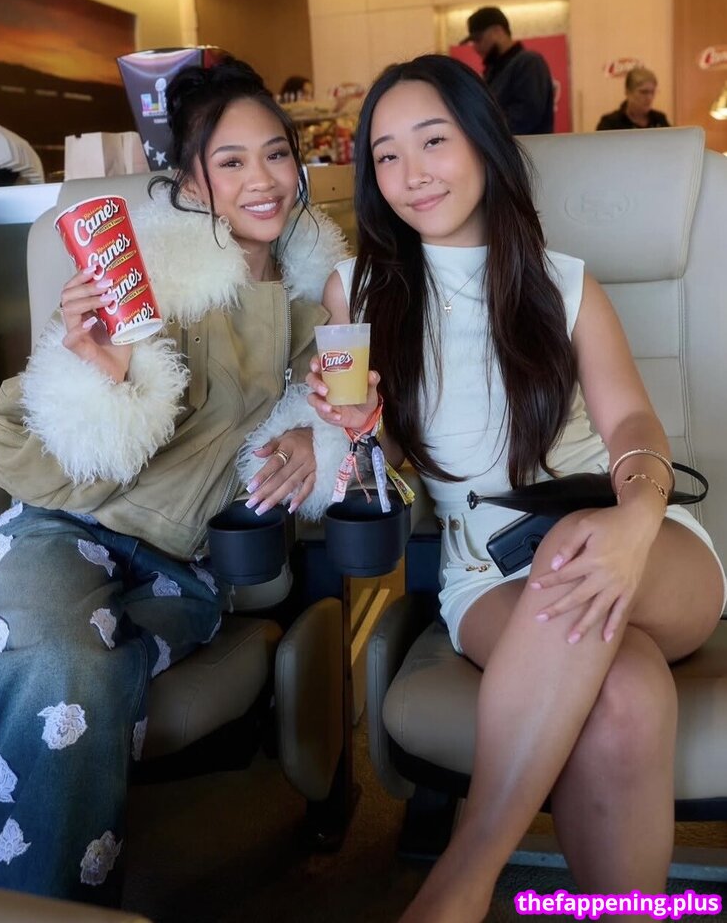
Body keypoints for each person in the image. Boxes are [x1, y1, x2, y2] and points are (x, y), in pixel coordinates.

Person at [306, 54, 726, 923]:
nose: (411, 172)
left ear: (482, 143)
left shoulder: (562, 281)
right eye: (386, 155)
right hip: (488, 571)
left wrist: (634, 521)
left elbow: (631, 424)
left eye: (433, 140)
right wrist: (361, 430)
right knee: (623, 690)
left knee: (579, 549)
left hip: (638, 540)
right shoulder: (358, 291)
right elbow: (387, 462)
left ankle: (458, 881)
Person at [0, 57, 349, 903]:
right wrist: (94, 377)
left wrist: (317, 436)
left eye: (275, 154)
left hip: (187, 570)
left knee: (75, 682)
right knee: (67, 672)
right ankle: (48, 911)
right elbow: (26, 463)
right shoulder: (145, 276)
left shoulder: (322, 291)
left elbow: (358, 414)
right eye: (231, 161)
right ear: (192, 181)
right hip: (63, 533)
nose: (262, 179)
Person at [463, 5, 554, 134]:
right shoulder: (494, 70)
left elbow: (525, 116)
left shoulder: (529, 62)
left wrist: (481, 131)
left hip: (526, 146)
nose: (475, 47)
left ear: (498, 31)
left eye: (478, 39)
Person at [596, 67, 671, 130]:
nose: (649, 97)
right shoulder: (610, 123)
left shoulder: (660, 120)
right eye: (644, 92)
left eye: (652, 92)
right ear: (628, 92)